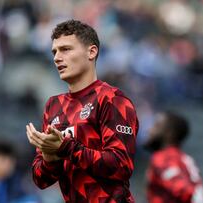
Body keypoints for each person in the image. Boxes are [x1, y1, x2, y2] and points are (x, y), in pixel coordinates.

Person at [26, 19, 139, 202]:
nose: (56, 57)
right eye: (54, 51)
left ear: (91, 52)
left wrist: (65, 147)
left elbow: (120, 165)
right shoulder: (53, 105)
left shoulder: (112, 99)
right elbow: (41, 180)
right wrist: (49, 158)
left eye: (66, 49)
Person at [144, 111, 203, 203]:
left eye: (156, 126)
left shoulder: (163, 158)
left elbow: (187, 192)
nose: (149, 130)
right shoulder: (183, 158)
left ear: (170, 133)